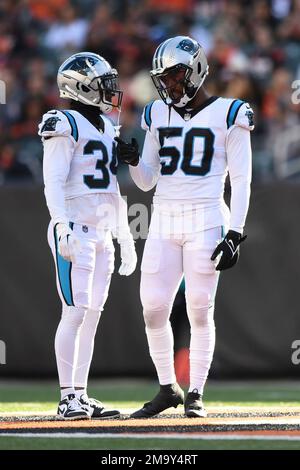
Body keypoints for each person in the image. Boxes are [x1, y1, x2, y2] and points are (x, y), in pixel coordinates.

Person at [116, 36, 253, 418]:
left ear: (193, 70)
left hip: (208, 216)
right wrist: (131, 160)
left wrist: (236, 232)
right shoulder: (157, 113)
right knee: (153, 307)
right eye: (164, 78)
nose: (169, 85)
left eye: (174, 76)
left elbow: (241, 180)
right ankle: (166, 388)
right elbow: (146, 181)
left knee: (199, 306)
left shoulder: (230, 112)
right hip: (164, 217)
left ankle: (196, 391)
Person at [39, 52, 137, 420]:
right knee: (75, 313)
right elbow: (53, 180)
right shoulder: (63, 121)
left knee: (92, 316)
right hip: (75, 230)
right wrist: (61, 225)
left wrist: (123, 235)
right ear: (81, 86)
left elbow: (112, 188)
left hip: (102, 232)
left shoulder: (107, 126)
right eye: (103, 83)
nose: (111, 90)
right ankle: (67, 398)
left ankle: (81, 393)